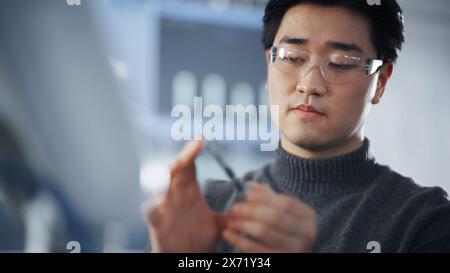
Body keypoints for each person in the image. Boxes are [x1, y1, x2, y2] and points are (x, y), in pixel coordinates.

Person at [143, 0, 450, 253]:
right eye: (292, 57)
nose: (310, 84)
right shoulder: (211, 208)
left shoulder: (423, 221)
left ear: (380, 82)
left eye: (341, 62)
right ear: (269, 65)